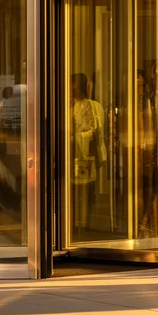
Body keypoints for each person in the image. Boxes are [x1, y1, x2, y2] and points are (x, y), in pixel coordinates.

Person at [70, 72, 106, 233]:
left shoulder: (93, 106)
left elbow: (97, 130)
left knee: (87, 190)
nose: (71, 88)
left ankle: (85, 221)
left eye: (73, 84)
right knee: (71, 189)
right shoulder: (66, 104)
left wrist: (76, 136)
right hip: (70, 153)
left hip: (87, 155)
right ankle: (73, 222)